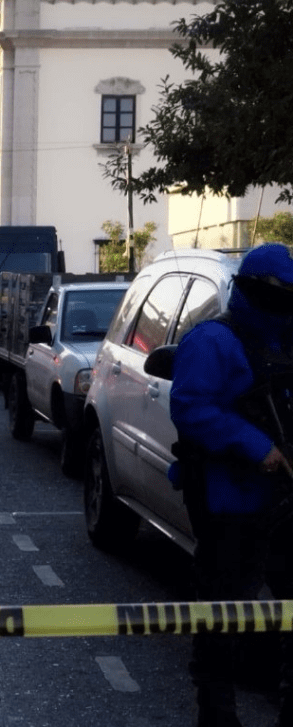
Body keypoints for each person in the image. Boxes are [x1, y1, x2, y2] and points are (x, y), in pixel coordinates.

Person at [170, 243, 293, 727]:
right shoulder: (212, 341)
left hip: (284, 501)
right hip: (230, 501)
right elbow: (192, 408)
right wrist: (255, 446)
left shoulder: (285, 340)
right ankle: (216, 713)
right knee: (223, 612)